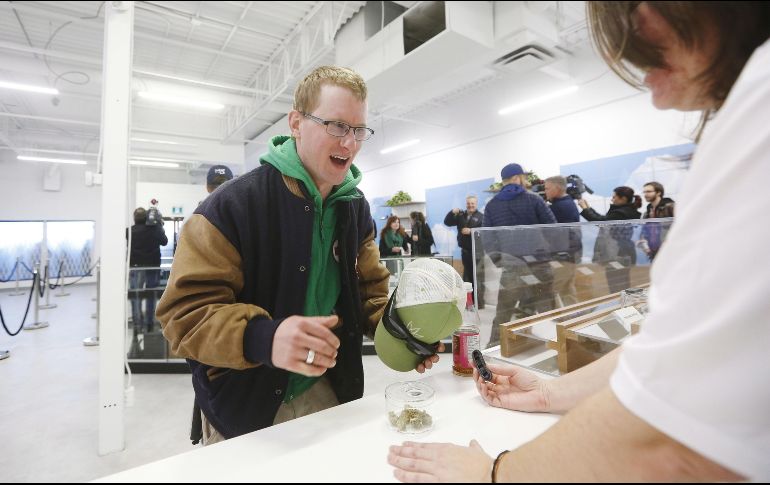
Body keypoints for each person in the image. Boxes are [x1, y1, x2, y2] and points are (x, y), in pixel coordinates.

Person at [388, 2, 770, 481]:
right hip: (540, 270)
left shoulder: (758, 106)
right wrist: (550, 392)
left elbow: (673, 429)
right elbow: (670, 357)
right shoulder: (751, 104)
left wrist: (496, 474)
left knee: (506, 322)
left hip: (506, 270)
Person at [157, 66, 442, 445]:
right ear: (296, 123)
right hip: (244, 402)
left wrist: (407, 333)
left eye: (359, 130)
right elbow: (183, 316)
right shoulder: (229, 208)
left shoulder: (355, 208)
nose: (350, 143)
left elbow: (370, 295)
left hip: (329, 388)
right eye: (337, 126)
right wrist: (262, 337)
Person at [483, 163, 557, 347]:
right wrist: (549, 252)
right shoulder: (534, 199)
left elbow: (486, 237)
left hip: (512, 266)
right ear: (517, 178)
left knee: (504, 311)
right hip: (539, 264)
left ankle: (493, 348)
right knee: (547, 309)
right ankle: (556, 348)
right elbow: (553, 228)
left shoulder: (492, 205)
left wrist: (500, 260)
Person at [579, 186, 642, 293]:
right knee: (623, 283)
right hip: (624, 251)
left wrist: (585, 209)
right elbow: (603, 219)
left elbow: (600, 222)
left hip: (616, 252)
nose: (612, 199)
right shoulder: (627, 211)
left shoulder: (620, 213)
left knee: (616, 285)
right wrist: (588, 208)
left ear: (623, 199)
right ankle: (624, 302)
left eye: (614, 197)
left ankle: (621, 302)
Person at [128, 207, 168, 333]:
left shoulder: (129, 231)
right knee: (152, 295)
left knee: (136, 296)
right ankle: (149, 324)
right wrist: (159, 225)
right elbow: (165, 241)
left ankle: (137, 324)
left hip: (135, 267)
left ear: (134, 218)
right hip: (152, 267)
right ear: (146, 217)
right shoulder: (154, 230)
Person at [544, 175, 582, 305]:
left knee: (553, 290)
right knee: (567, 289)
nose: (545, 192)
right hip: (570, 253)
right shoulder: (567, 203)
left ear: (557, 188)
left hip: (563, 255)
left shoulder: (558, 207)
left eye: (547, 188)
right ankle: (574, 315)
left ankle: (559, 316)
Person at [443, 195, 485, 307]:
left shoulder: (482, 217)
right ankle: (468, 303)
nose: (470, 205)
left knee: (478, 277)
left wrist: (472, 231)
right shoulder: (461, 215)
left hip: (477, 252)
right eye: (468, 203)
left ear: (476, 204)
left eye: (472, 203)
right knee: (467, 278)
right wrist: (452, 212)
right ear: (466, 204)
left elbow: (485, 232)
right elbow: (447, 222)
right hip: (465, 252)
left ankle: (479, 303)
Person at [638, 181, 675, 260]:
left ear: (658, 193)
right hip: (653, 252)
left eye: (649, 191)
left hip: (670, 250)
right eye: (644, 192)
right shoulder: (647, 213)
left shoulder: (670, 207)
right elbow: (644, 232)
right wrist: (645, 247)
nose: (645, 194)